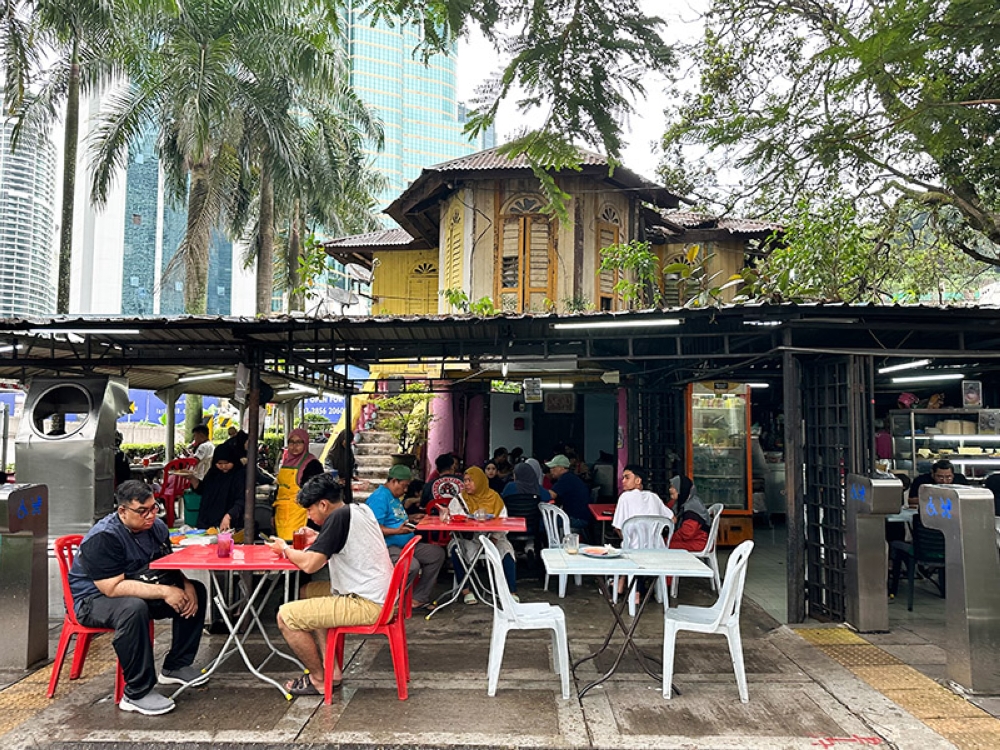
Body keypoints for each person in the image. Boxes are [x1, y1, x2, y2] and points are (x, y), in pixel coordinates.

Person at [67, 480, 208, 715]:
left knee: (197, 591)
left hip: (140, 584)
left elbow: (167, 565)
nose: (150, 515)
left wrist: (185, 585)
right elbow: (112, 588)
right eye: (142, 511)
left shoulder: (157, 528)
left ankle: (176, 666)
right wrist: (165, 591)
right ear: (122, 511)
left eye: (154, 508)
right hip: (93, 600)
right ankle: (136, 693)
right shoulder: (104, 537)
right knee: (132, 608)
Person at [266, 473, 394, 696]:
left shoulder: (337, 519)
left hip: (368, 603)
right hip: (384, 594)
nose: (309, 515)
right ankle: (332, 670)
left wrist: (284, 550)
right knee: (307, 592)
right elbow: (346, 540)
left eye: (310, 510)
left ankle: (318, 678)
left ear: (323, 504)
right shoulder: (357, 509)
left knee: (285, 617)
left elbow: (310, 565)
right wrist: (319, 537)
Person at [365, 465, 445, 612]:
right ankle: (393, 601)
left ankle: (418, 598)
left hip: (408, 543)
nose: (406, 490)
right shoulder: (380, 498)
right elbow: (374, 528)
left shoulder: (394, 497)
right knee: (411, 566)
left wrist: (411, 518)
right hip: (388, 546)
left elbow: (395, 518)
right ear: (394, 481)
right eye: (404, 486)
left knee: (436, 554)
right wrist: (397, 531)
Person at [449, 466, 519, 604]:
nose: (466, 484)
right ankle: (466, 591)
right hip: (469, 538)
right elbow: (452, 521)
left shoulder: (494, 498)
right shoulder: (459, 499)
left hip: (494, 537)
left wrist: (494, 538)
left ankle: (511, 592)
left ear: (480, 481)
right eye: (465, 480)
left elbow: (503, 521)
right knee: (456, 549)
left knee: (506, 550)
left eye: (470, 480)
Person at [273, 428, 324, 540]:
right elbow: (279, 489)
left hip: (301, 516)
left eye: (299, 442)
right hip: (282, 514)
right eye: (291, 442)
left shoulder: (312, 464)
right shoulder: (286, 462)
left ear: (305, 443)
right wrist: (273, 513)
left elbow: (317, 492)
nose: (294, 446)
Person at [191, 441, 246, 533]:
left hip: (229, 524)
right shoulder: (213, 473)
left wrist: (229, 516)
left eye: (227, 463)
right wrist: (191, 478)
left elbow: (241, 499)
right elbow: (202, 489)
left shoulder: (240, 475)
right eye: (219, 463)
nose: (223, 466)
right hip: (206, 523)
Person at [611, 464, 673, 535]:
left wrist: (627, 541)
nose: (623, 481)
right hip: (657, 545)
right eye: (623, 478)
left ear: (638, 480)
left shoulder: (625, 497)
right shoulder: (653, 496)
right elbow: (672, 519)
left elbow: (618, 527)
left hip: (633, 545)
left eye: (627, 478)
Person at [546, 454, 592, 541]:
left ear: (561, 468)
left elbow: (551, 495)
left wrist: (536, 489)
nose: (551, 470)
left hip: (576, 519)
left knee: (545, 522)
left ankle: (550, 547)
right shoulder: (571, 477)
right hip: (580, 516)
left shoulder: (566, 479)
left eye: (553, 468)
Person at [667, 475, 711, 552]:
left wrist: (669, 538)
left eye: (673, 487)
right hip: (691, 539)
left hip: (697, 542)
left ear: (681, 489)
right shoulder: (682, 502)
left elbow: (687, 533)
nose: (670, 489)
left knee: (661, 545)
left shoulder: (692, 506)